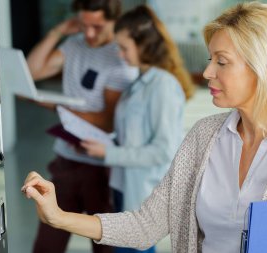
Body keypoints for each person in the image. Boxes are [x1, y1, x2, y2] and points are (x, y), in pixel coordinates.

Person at [22, 2, 267, 253]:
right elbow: (145, 225)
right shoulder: (204, 136)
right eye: (209, 59)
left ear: (263, 67)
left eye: (221, 61)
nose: (206, 73)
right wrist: (58, 217)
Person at [79, 5, 194, 253]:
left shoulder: (163, 86)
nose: (120, 55)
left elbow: (163, 151)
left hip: (142, 196)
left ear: (143, 45)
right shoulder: (138, 82)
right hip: (123, 186)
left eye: (124, 48)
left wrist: (108, 153)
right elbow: (132, 136)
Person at [26, 0, 138, 252]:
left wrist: (59, 108)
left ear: (113, 21)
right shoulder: (73, 44)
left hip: (101, 168)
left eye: (97, 26)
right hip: (65, 159)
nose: (89, 33)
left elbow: (108, 119)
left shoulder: (121, 59)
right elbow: (32, 72)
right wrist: (57, 32)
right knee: (46, 244)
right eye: (84, 25)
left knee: (104, 245)